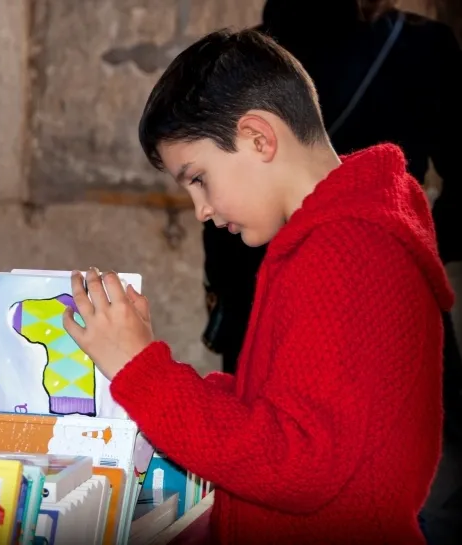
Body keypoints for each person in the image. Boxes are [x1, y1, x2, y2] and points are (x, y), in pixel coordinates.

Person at [62, 29, 452, 544]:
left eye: (198, 178)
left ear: (258, 138)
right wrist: (148, 368)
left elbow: (296, 464)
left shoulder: (344, 251)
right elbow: (287, 409)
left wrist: (143, 370)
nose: (201, 210)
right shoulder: (339, 235)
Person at [203, 0, 461, 377]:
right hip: (376, 290)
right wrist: (405, 251)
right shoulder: (421, 43)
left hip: (273, 297)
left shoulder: (239, 62)